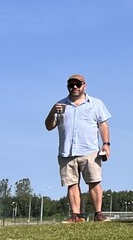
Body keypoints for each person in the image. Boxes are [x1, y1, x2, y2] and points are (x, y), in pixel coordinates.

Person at [44, 73, 112, 223]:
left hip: (90, 150)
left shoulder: (96, 103)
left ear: (84, 86)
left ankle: (98, 214)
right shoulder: (60, 105)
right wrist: (52, 112)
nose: (74, 87)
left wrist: (106, 144)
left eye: (78, 84)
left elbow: (103, 124)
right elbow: (49, 126)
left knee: (94, 181)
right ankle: (76, 215)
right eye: (71, 85)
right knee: (72, 184)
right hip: (67, 152)